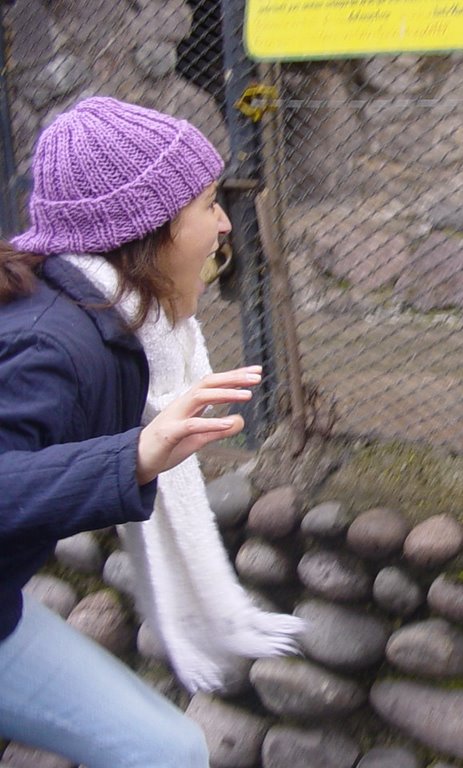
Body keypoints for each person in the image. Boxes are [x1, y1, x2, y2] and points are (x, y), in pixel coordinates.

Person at [0, 97, 303, 768]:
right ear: (148, 231)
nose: (225, 222)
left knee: (164, 750)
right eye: (206, 205)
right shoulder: (51, 345)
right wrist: (133, 456)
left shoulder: (114, 323)